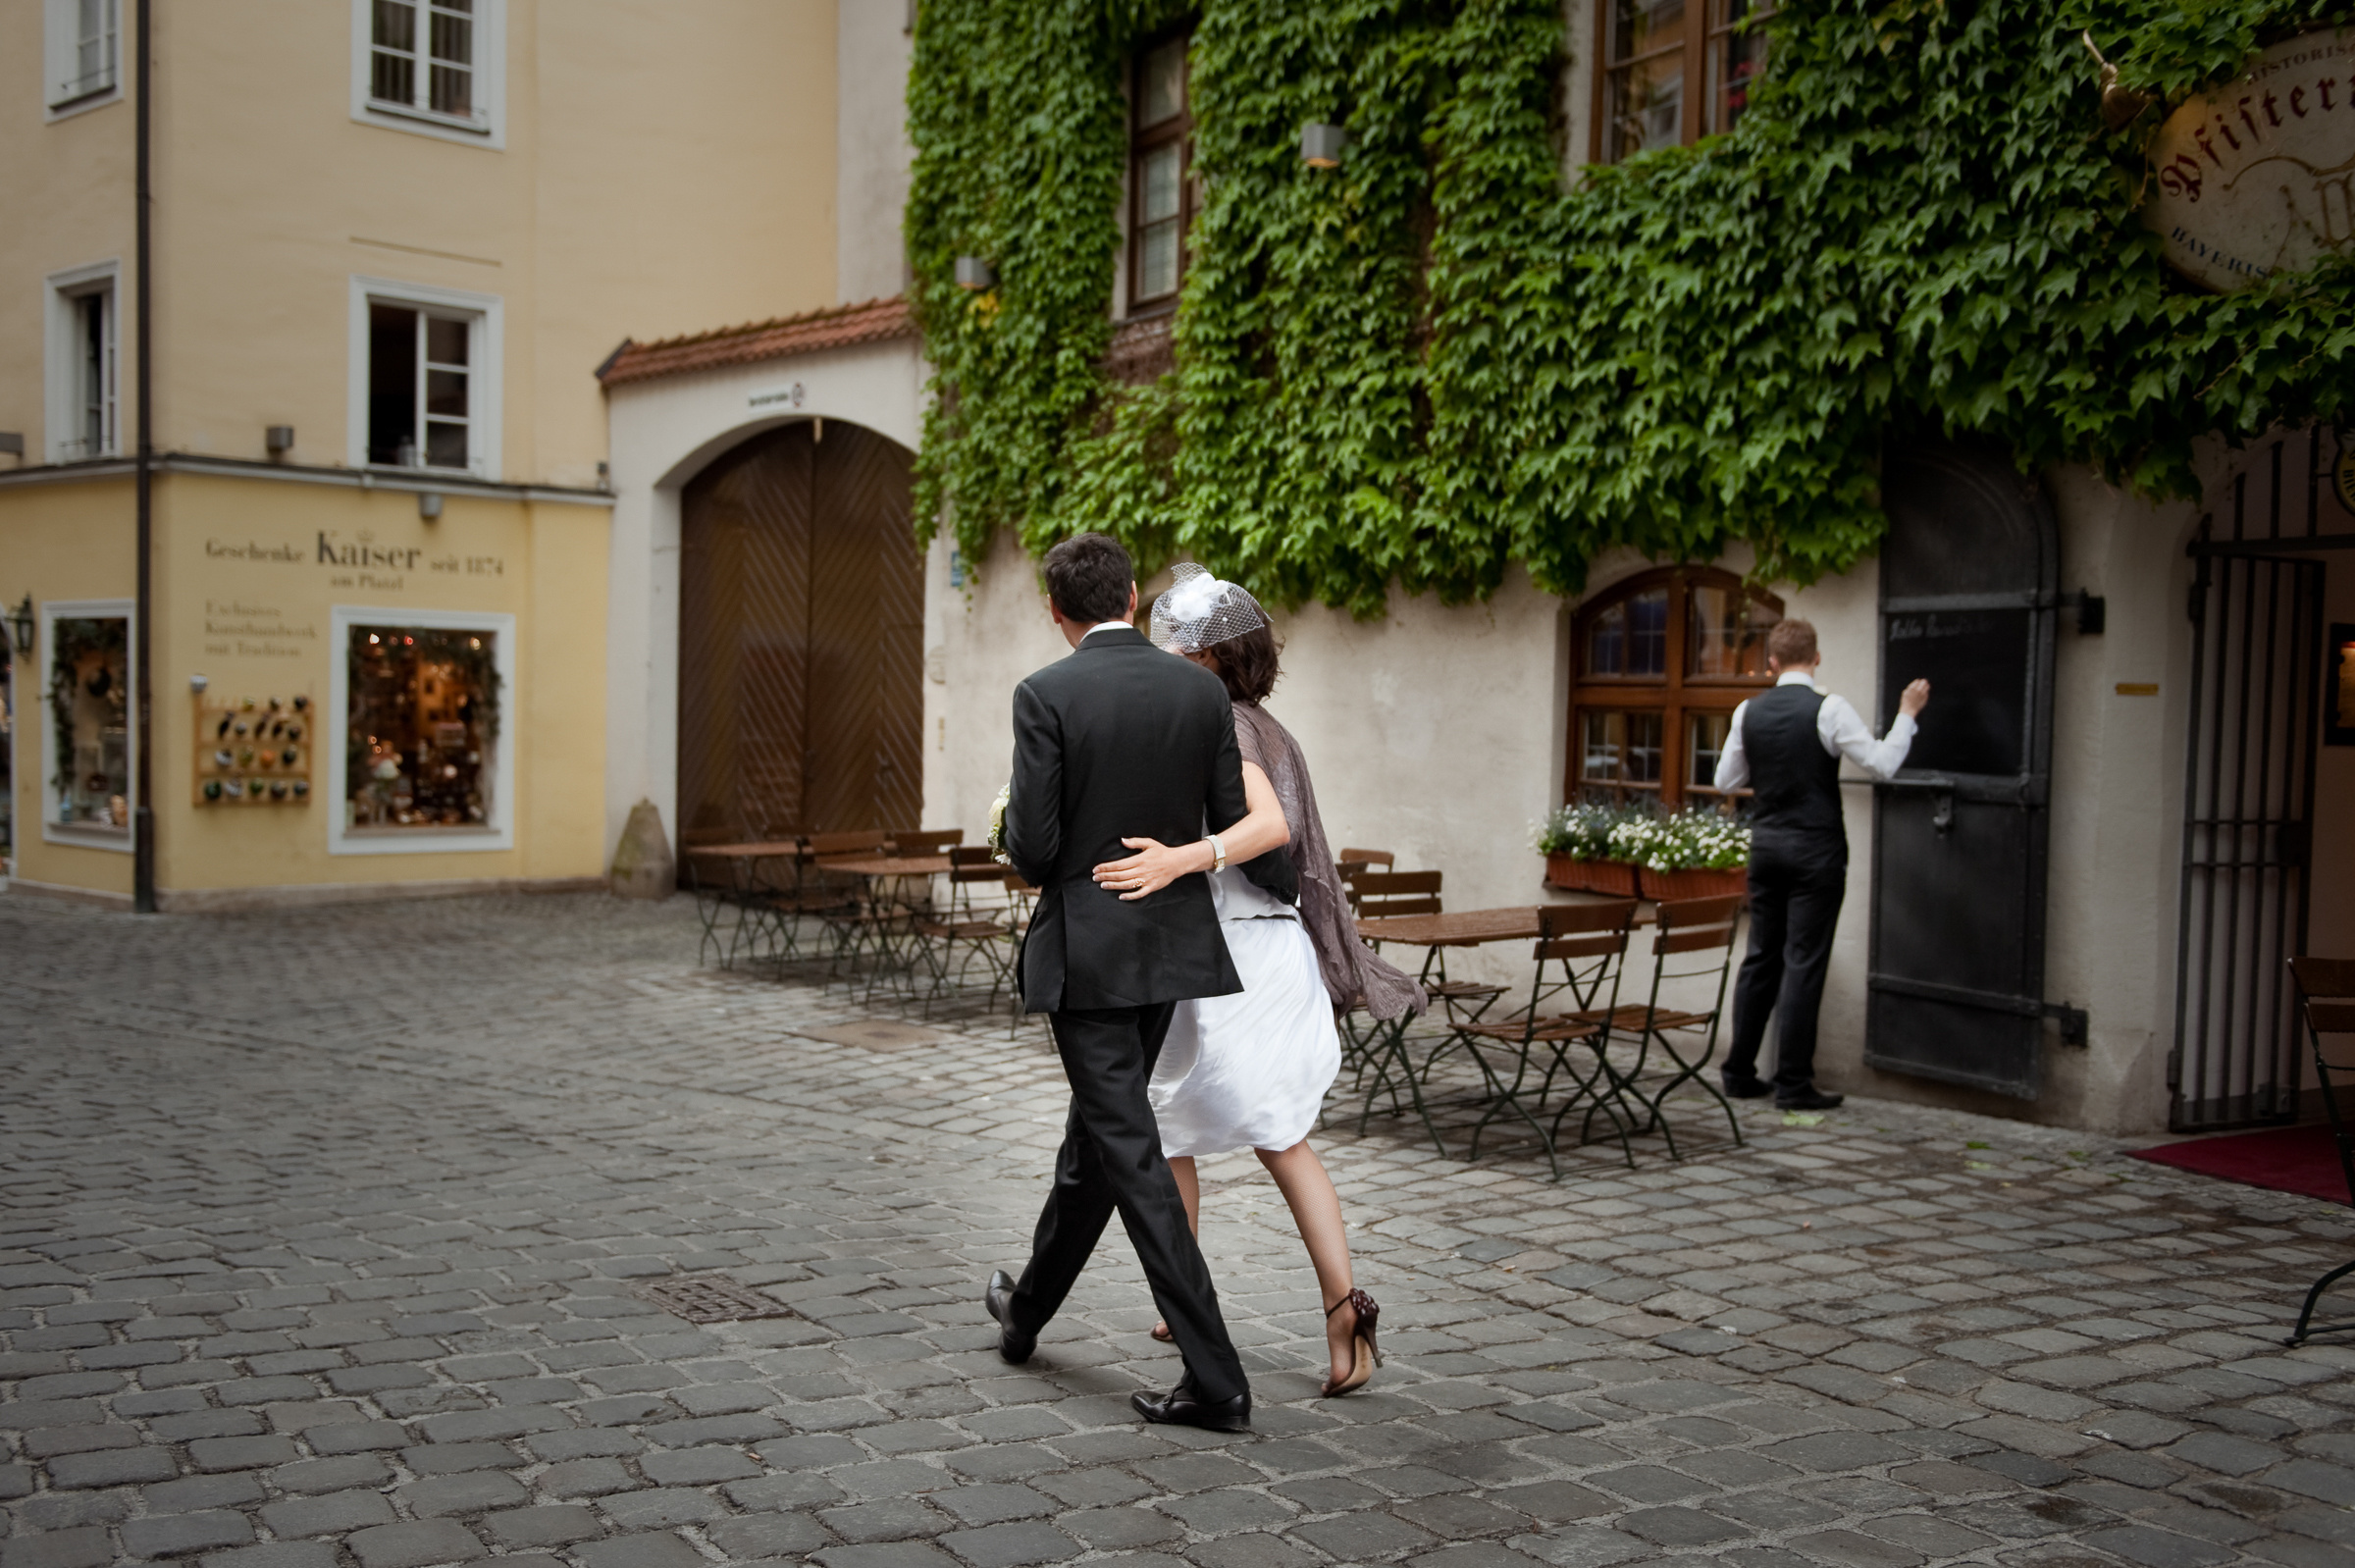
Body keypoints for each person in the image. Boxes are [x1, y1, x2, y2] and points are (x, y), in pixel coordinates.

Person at [1091, 565, 1426, 1397]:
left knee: (1169, 1128)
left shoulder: (1225, 727)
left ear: (1207, 658)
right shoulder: (1270, 725)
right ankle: (1341, 1310)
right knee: (1276, 1137)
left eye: (1178, 644)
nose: (1167, 655)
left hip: (1230, 956)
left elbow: (1267, 824)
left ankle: (1186, 1293)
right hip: (1271, 956)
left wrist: (1183, 856)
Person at [985, 534, 1255, 1434]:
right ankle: (1024, 1314)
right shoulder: (1200, 690)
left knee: (1126, 1151)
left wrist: (1028, 833)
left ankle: (1215, 1377)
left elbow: (1032, 851)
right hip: (1170, 951)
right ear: (1135, 596)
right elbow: (1224, 820)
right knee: (1096, 1147)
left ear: (1054, 613)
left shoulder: (1045, 693)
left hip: (1091, 957)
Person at [1712, 617, 1928, 1110]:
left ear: (1771, 662)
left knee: (1761, 958)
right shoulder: (1828, 709)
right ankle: (1792, 1084)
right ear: (1816, 658)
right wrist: (1906, 713)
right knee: (1803, 962)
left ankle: (1739, 1072)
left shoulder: (1749, 710)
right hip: (1816, 850)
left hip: (1766, 847)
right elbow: (1882, 763)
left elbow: (1727, 780)